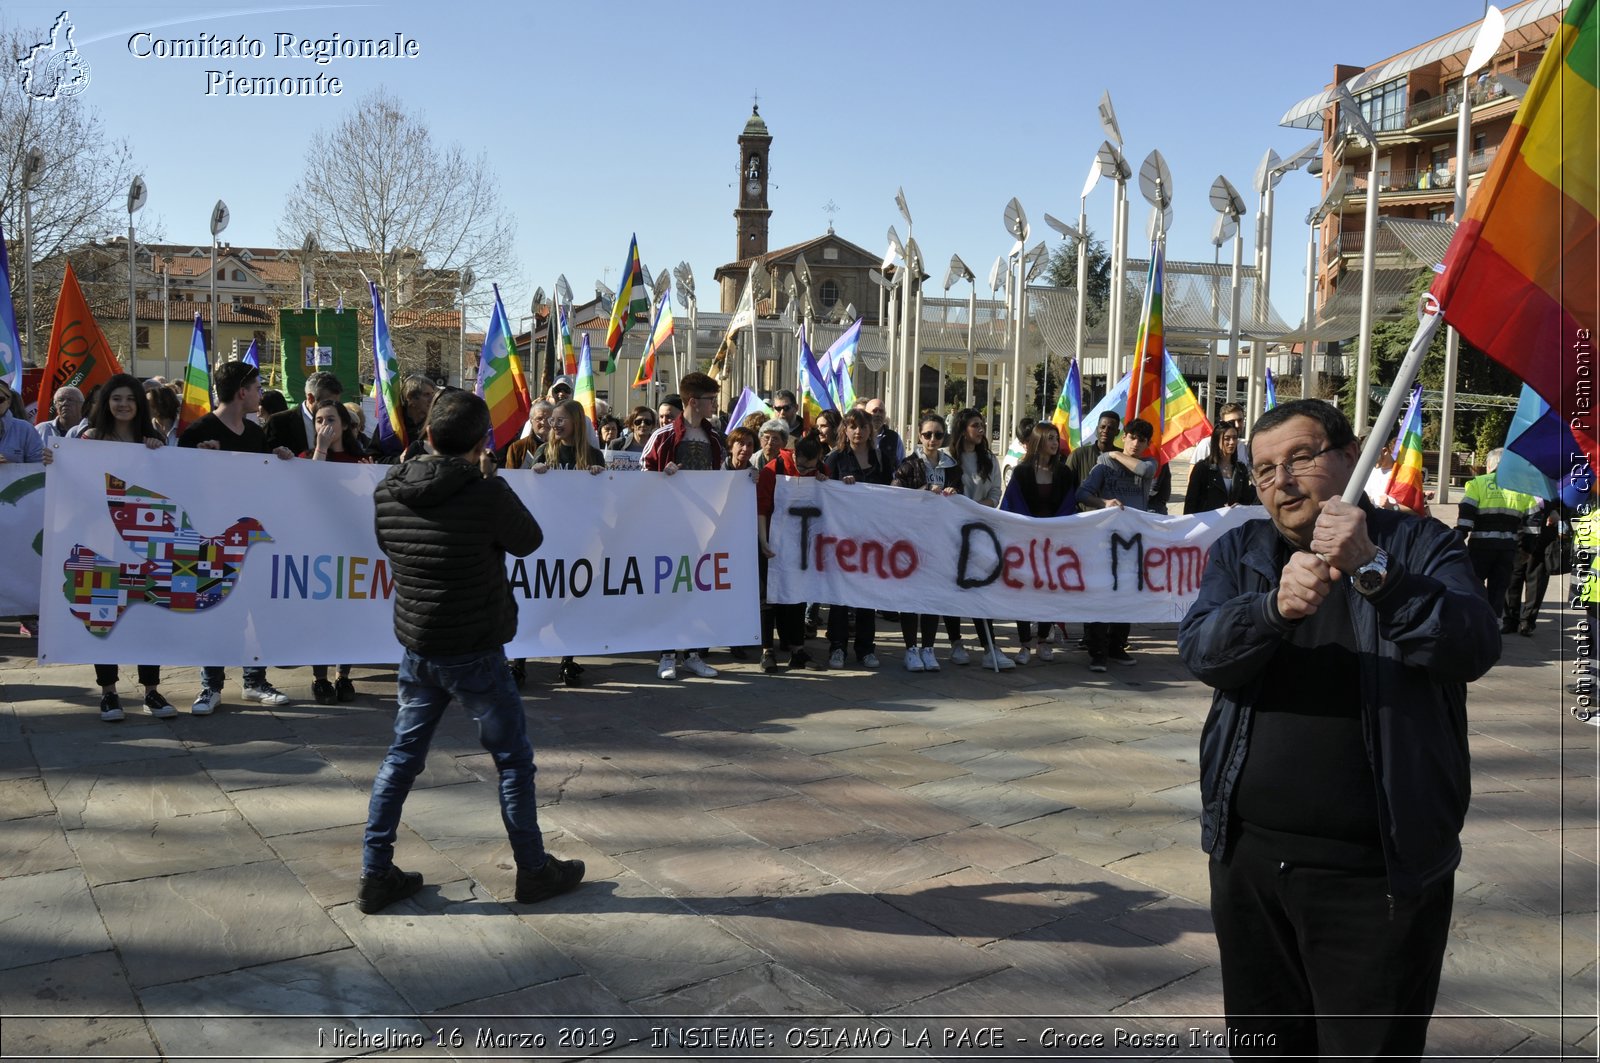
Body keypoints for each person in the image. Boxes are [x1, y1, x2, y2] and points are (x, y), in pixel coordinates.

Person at [1178, 398, 1499, 1059]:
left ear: (1351, 456)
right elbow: (1201, 651)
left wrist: (1374, 570)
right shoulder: (1243, 551)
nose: (1281, 481)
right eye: (1263, 470)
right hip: (1251, 867)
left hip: (1377, 874)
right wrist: (1270, 610)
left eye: (1300, 458)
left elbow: (1472, 644)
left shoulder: (1419, 543)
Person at [362, 389, 584, 914]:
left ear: (429, 435)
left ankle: (375, 872)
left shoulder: (388, 489)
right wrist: (492, 481)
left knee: (401, 760)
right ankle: (533, 869)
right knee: (512, 762)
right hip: (476, 648)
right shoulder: (485, 491)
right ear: (481, 442)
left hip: (420, 644)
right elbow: (529, 539)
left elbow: (387, 546)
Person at [179, 360, 297, 713]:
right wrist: (198, 463)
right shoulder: (197, 431)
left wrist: (280, 461)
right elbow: (179, 485)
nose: (261, 394)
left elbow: (261, 484)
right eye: (258, 387)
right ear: (242, 392)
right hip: (210, 539)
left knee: (255, 609)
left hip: (250, 540)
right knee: (216, 608)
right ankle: (210, 686)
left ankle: (254, 680)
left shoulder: (257, 434)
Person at [75, 375, 176, 721]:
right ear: (106, 403)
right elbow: (75, 481)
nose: (123, 405)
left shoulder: (153, 440)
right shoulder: (87, 440)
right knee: (103, 611)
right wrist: (53, 461)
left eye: (129, 399)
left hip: (144, 544)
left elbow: (170, 486)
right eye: (116, 398)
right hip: (101, 540)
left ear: (139, 404)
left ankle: (152, 690)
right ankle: (109, 693)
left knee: (148, 612)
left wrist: (160, 456)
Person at [641, 373, 724, 680]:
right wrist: (663, 473)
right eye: (710, 400)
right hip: (669, 526)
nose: (714, 405)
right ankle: (666, 654)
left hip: (703, 528)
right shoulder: (662, 436)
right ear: (694, 402)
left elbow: (724, 476)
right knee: (669, 589)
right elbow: (642, 474)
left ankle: (692, 653)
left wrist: (747, 478)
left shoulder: (714, 438)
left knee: (696, 589)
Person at [531, 399, 607, 687]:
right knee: (540, 596)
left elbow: (603, 499)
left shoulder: (593, 455)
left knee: (573, 599)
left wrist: (600, 479)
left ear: (576, 421)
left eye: (561, 419)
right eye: (553, 420)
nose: (555, 425)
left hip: (578, 540)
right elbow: (529, 494)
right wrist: (534, 476)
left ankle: (568, 660)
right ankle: (521, 661)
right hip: (547, 538)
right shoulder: (543, 451)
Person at [300, 400, 372, 702]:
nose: (323, 425)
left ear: (344, 424)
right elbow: (311, 486)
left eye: (330, 419)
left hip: (352, 548)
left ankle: (344, 675)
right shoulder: (309, 456)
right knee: (322, 616)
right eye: (318, 420)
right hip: (319, 549)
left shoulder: (362, 461)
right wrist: (321, 448)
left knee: (349, 615)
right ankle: (320, 677)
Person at [1079, 417, 1156, 672]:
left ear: (1147, 444)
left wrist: (1114, 453)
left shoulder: (1148, 463)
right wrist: (1103, 503)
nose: (1135, 443)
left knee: (1128, 595)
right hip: (1104, 542)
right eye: (1131, 437)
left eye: (1141, 440)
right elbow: (1082, 493)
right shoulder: (1103, 465)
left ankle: (1117, 645)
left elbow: (1145, 472)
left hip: (1134, 543)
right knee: (1102, 594)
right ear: (1125, 436)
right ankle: (1097, 650)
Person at [1000, 422, 1080, 664]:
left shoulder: (1064, 473)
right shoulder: (1022, 472)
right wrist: (1030, 527)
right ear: (1038, 442)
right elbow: (1011, 505)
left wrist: (1054, 528)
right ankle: (1024, 643)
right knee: (1023, 592)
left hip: (1054, 543)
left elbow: (1069, 505)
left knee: (1049, 590)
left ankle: (1043, 640)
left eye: (1056, 438)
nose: (1055, 443)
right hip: (1026, 542)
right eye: (1050, 438)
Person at [756, 435, 829, 673]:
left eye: (813, 466)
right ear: (795, 455)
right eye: (803, 466)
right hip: (773, 541)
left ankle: (798, 650)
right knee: (768, 598)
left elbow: (831, 495)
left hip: (801, 546)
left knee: (797, 596)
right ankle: (767, 649)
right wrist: (763, 540)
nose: (807, 470)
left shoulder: (819, 468)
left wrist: (824, 480)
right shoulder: (772, 469)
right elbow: (762, 507)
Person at [822, 407, 887, 669]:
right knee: (841, 594)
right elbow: (822, 489)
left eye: (863, 426)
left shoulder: (880, 458)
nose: (858, 431)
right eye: (852, 426)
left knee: (867, 595)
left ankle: (865, 648)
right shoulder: (836, 458)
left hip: (871, 537)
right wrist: (839, 486)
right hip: (842, 538)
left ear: (871, 430)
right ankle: (837, 647)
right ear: (845, 430)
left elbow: (890, 491)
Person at [947, 407, 1011, 669]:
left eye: (982, 424)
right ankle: (955, 642)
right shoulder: (948, 458)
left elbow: (996, 492)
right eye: (975, 424)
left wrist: (978, 506)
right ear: (963, 429)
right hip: (952, 531)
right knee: (952, 587)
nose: (981, 428)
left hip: (980, 529)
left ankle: (989, 645)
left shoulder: (989, 459)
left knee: (979, 587)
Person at [1456, 449, 1542, 629]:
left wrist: (1460, 534)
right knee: (1498, 588)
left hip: (1480, 546)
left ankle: (1474, 622)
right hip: (1507, 548)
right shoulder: (1521, 487)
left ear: (1490, 465)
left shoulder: (1478, 483)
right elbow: (1533, 519)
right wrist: (1527, 548)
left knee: (1474, 583)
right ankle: (1494, 624)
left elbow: (1467, 511)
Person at [1183, 421, 1257, 513]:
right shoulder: (1202, 468)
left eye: (1235, 438)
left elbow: (1246, 500)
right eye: (1227, 438)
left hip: (1233, 523)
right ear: (1217, 440)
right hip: (1208, 523)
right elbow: (1191, 503)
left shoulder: (1241, 469)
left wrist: (1240, 506)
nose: (1232, 442)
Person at [267, 371, 343, 457]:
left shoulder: (340, 420)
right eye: (328, 403)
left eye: (337, 403)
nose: (333, 407)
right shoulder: (279, 422)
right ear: (310, 398)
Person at [1067, 410, 1121, 487]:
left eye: (1110, 428)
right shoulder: (1079, 455)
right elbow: (1065, 484)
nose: (1105, 431)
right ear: (1096, 429)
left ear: (1117, 432)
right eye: (1102, 427)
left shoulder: (1122, 456)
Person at [1191, 402, 1252, 469]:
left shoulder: (1244, 448)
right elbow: (1193, 476)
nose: (1237, 425)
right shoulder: (1207, 444)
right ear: (1222, 422)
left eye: (1240, 420)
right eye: (1231, 422)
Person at [0, 381, 45, 464]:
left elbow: (38, 465)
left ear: (8, 402)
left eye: (0, 400)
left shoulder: (24, 429)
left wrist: (10, 468)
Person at [504, 400, 554, 470]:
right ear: (531, 421)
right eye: (539, 418)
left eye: (549, 419)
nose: (544, 422)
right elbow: (510, 476)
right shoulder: (517, 448)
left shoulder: (561, 445)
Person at [862, 396, 904, 473]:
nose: (878, 414)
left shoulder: (894, 438)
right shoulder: (859, 436)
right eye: (874, 411)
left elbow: (901, 466)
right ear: (866, 414)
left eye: (881, 411)